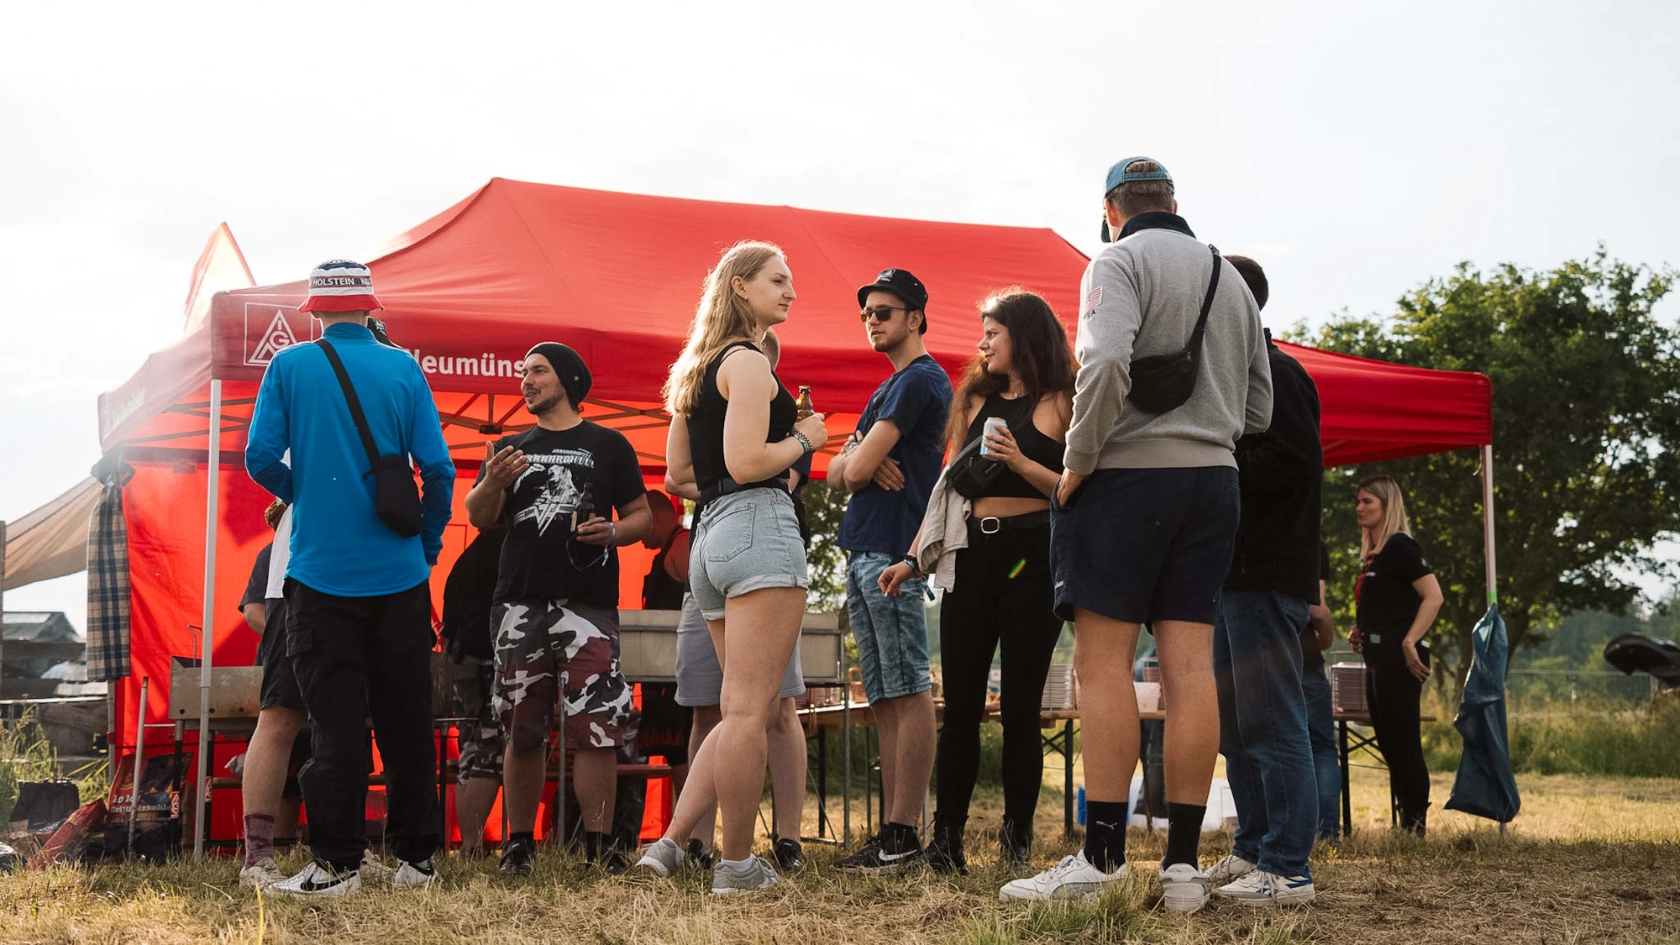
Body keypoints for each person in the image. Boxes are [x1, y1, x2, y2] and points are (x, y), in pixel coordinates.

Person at [1000, 159, 1271, 909]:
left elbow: (1108, 359)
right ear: (1175, 202)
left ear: (1109, 208)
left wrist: (1078, 461)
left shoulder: (1114, 262)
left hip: (1125, 481)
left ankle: (1105, 858)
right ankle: (1182, 868)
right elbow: (1261, 407)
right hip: (1214, 482)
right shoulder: (1226, 273)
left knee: (1104, 663)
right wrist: (1204, 435)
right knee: (1189, 665)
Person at [246, 259, 455, 896]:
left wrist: (304, 491)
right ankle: (416, 861)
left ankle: (337, 865)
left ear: (313, 311)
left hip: (320, 576)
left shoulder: (289, 367)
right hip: (400, 576)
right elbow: (439, 471)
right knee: (407, 723)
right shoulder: (404, 368)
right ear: (372, 309)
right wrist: (425, 545)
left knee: (334, 724)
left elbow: (258, 459)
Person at [878, 288, 1074, 874]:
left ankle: (1016, 845)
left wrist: (1018, 461)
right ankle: (947, 843)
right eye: (982, 331)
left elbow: (1073, 488)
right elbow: (948, 488)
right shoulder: (973, 400)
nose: (982, 342)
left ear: (1026, 335)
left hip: (1031, 558)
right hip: (971, 555)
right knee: (959, 705)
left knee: (1019, 706)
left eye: (993, 331)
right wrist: (914, 558)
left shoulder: (1062, 400)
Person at [653, 241, 827, 893]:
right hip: (757, 523)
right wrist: (808, 436)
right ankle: (735, 863)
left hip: (710, 537)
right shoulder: (748, 363)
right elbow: (750, 461)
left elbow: (679, 474)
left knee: (735, 710)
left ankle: (695, 849)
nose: (791, 291)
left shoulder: (695, 371)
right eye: (778, 280)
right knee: (752, 710)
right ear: (740, 288)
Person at [464, 342, 653, 875]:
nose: (525, 381)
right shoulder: (508, 445)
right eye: (522, 372)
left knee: (597, 728)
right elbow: (479, 516)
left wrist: (613, 532)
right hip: (519, 604)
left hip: (588, 607)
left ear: (568, 380)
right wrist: (494, 482)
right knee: (522, 728)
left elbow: (641, 516)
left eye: (538, 372)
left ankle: (598, 848)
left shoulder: (609, 444)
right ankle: (518, 846)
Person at [1204, 254, 1323, 907]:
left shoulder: (1278, 374)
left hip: (1265, 575)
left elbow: (1293, 464)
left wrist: (1218, 447)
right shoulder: (1233, 379)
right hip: (1229, 576)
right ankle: (1253, 845)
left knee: (1274, 719)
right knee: (1236, 724)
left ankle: (1288, 866)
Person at [827, 268, 952, 871]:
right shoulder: (891, 386)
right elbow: (833, 472)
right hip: (865, 548)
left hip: (894, 553)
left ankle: (904, 832)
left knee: (908, 688)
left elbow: (845, 472)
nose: (872, 321)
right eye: (867, 313)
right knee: (883, 693)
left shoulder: (919, 380)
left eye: (884, 311)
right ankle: (893, 832)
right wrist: (859, 458)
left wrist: (857, 460)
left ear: (915, 318)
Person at [1348, 475, 1443, 835]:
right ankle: (1405, 820)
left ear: (1387, 506)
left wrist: (1409, 641)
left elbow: (1434, 596)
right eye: (1358, 501)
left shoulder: (1402, 546)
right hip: (1376, 656)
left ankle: (1414, 825)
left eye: (1368, 501)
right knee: (1387, 740)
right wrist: (1361, 631)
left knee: (1403, 740)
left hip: (1400, 660)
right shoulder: (1374, 555)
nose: (1359, 508)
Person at [236, 499, 310, 887]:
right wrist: (286, 640)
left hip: (349, 586)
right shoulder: (272, 554)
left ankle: (345, 849)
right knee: (281, 725)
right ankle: (261, 855)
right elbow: (252, 610)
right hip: (293, 610)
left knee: (343, 726)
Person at [438, 526, 507, 857]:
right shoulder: (508, 546)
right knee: (490, 752)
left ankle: (468, 845)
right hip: (491, 658)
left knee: (469, 751)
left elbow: (448, 626)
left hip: (462, 661)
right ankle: (472, 845)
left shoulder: (464, 560)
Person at [1302, 544, 1342, 842]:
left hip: (1256, 659)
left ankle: (1285, 829)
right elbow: (1317, 610)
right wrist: (1326, 637)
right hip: (1305, 657)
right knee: (1322, 748)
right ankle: (1327, 832)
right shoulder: (1310, 540)